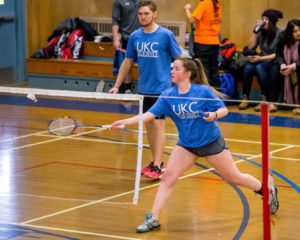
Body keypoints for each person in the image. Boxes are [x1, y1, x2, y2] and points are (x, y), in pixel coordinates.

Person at [111, 57, 279, 233]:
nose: (172, 71)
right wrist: (125, 122)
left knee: (234, 177)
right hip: (186, 145)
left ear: (187, 73)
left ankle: (266, 188)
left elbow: (224, 110)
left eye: (176, 68)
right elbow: (148, 115)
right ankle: (153, 218)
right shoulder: (168, 96)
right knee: (168, 177)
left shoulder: (202, 91)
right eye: (172, 68)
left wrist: (213, 115)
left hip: (211, 142)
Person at [109, 0, 182, 179]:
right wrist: (117, 86)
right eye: (140, 14)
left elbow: (179, 58)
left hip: (162, 89)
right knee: (148, 124)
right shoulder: (135, 36)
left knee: (158, 124)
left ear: (154, 14)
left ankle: (157, 165)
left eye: (146, 14)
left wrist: (181, 84)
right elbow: (127, 62)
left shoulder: (165, 35)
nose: (142, 17)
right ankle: (156, 161)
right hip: (144, 89)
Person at [239, 9, 283, 111]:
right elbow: (250, 47)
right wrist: (255, 32)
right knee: (248, 68)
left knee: (259, 67)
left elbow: (278, 54)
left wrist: (260, 58)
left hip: (272, 60)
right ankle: (245, 97)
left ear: (272, 21)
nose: (263, 21)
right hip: (261, 59)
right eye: (262, 19)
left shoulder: (280, 33)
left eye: (266, 19)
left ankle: (264, 98)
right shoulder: (261, 32)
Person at [184, 0, 222, 88]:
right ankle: (217, 96)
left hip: (203, 43)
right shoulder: (217, 4)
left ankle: (206, 97)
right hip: (214, 42)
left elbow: (192, 20)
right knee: (214, 72)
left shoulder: (203, 4)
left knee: (204, 73)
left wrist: (187, 9)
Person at [112, 0, 140, 93]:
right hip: (127, 38)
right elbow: (115, 21)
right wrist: (116, 39)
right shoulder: (118, 2)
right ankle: (128, 89)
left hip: (142, 38)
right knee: (127, 63)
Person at [276, 19, 300, 114]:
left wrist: (292, 67)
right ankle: (273, 103)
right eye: (295, 31)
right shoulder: (283, 39)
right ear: (290, 32)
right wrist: (283, 66)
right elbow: (278, 54)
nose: (298, 33)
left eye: (299, 30)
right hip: (287, 65)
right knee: (274, 71)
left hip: (297, 66)